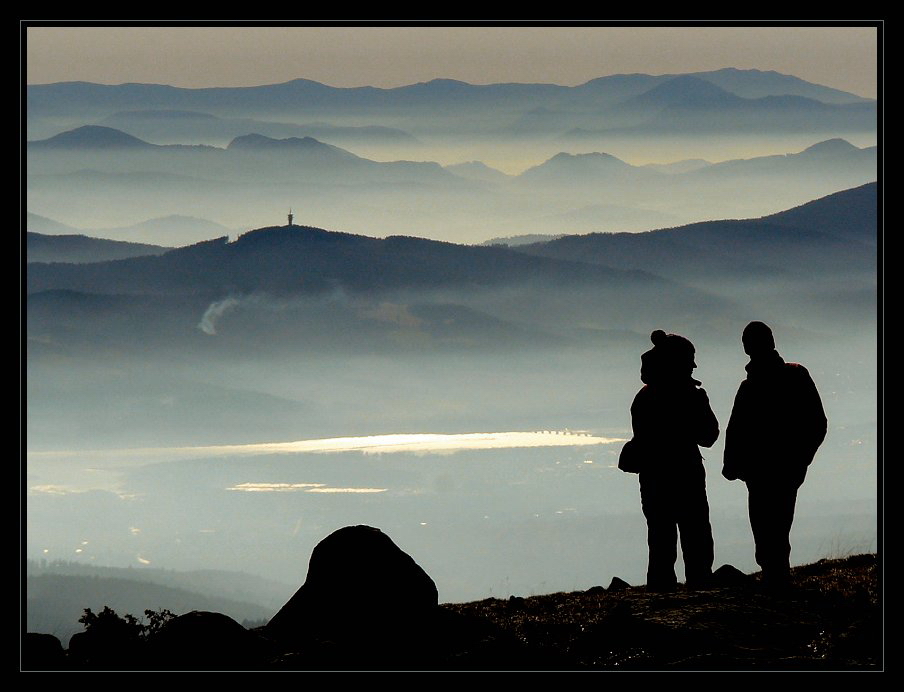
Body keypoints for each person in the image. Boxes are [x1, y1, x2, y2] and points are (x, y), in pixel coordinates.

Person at [722, 321, 828, 587]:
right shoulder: (792, 376)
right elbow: (817, 423)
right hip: (775, 469)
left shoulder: (756, 385)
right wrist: (800, 459)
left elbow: (736, 429)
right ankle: (776, 576)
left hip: (766, 470)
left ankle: (775, 577)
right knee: (775, 524)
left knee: (769, 524)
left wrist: (733, 464)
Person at [623, 329, 720, 591]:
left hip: (653, 477)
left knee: (660, 538)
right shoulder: (690, 395)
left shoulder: (644, 397)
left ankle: (660, 593)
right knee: (696, 535)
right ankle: (700, 590)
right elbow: (709, 436)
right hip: (686, 473)